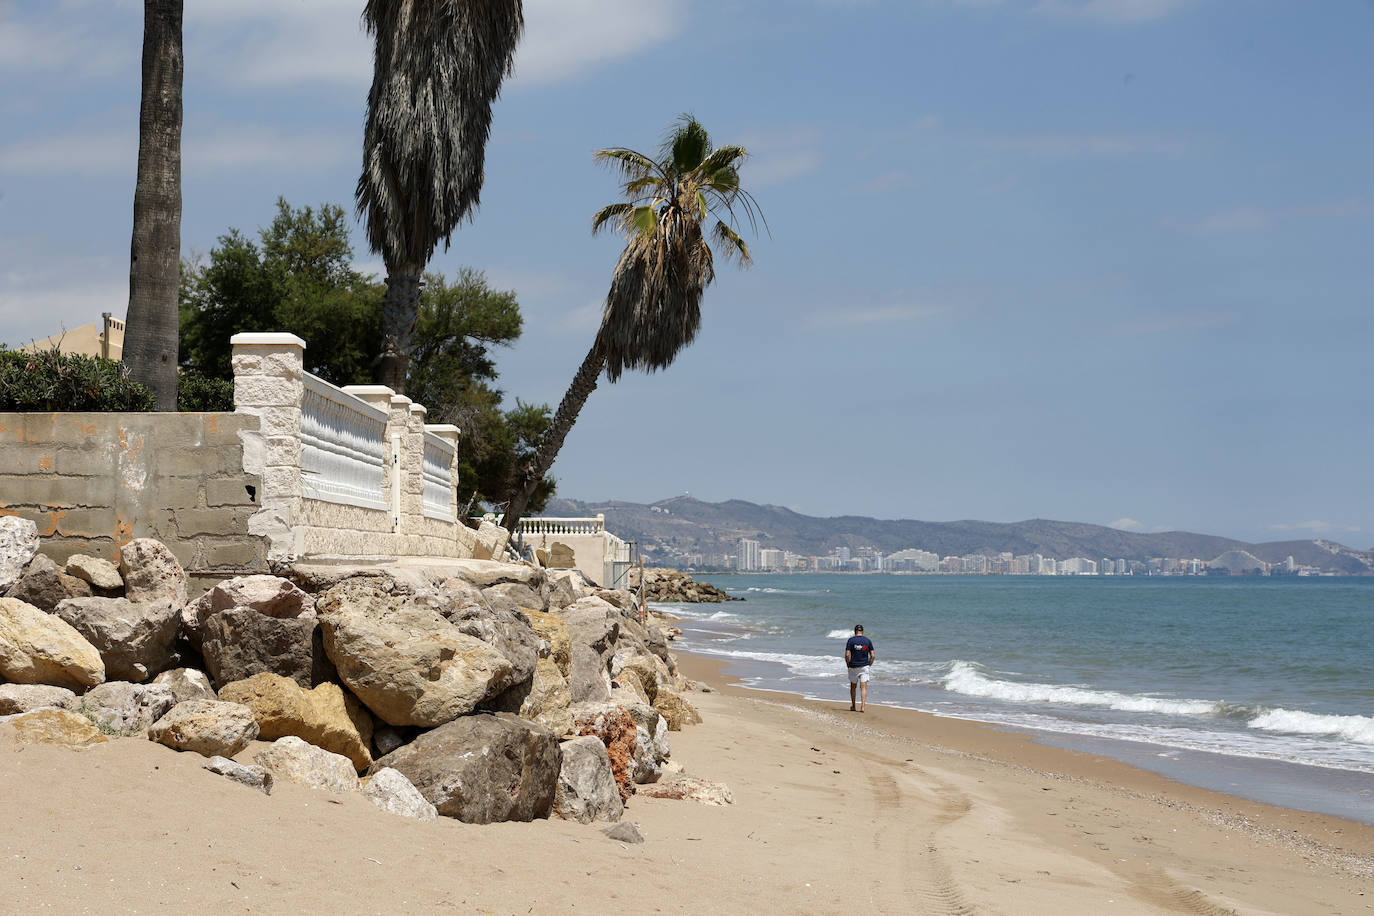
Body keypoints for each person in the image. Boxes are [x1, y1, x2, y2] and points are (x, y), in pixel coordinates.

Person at [844, 624, 874, 712]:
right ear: (863, 631)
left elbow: (847, 654)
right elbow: (872, 655)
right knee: (863, 687)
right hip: (864, 666)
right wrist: (869, 664)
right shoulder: (868, 641)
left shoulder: (851, 640)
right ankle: (863, 707)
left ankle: (853, 706)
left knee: (853, 687)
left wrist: (848, 664)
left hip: (853, 666)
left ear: (855, 631)